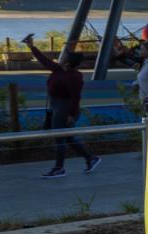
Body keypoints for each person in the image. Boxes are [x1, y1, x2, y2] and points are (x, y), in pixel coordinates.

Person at [23, 36, 101, 177]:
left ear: (68, 62)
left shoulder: (74, 77)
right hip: (56, 106)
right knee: (67, 137)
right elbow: (44, 61)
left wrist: (71, 115)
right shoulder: (59, 70)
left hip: (65, 108)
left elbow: (75, 97)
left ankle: (59, 168)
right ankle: (90, 158)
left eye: (65, 57)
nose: (62, 57)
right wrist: (32, 47)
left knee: (59, 137)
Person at [135, 46, 148, 119]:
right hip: (143, 100)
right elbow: (141, 77)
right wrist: (136, 84)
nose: (140, 51)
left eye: (142, 49)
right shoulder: (145, 63)